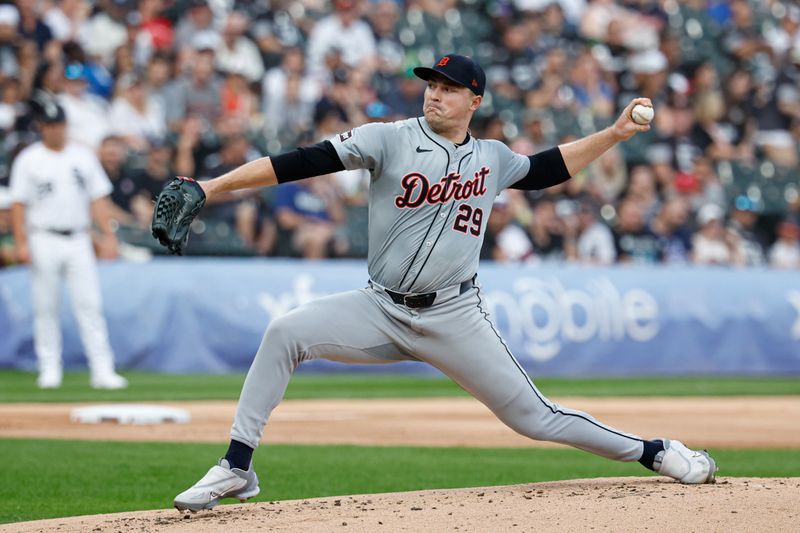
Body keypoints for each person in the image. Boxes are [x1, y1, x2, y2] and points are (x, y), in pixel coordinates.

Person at [167, 55, 717, 512]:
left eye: (449, 88)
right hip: (380, 308)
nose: (435, 95)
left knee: (535, 418)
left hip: (455, 316)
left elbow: (548, 168)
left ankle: (654, 451)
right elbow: (300, 162)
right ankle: (236, 465)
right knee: (285, 331)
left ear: (473, 101)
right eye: (431, 85)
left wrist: (616, 133)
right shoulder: (387, 139)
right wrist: (211, 187)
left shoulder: (491, 158)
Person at [9, 100, 127, 390]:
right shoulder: (29, 159)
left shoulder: (82, 157)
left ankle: (102, 370)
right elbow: (18, 205)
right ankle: (49, 368)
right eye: (50, 125)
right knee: (45, 306)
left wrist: (108, 236)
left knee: (89, 305)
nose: (56, 130)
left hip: (79, 237)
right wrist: (21, 242)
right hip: (43, 236)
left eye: (59, 124)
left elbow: (98, 199)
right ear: (42, 128)